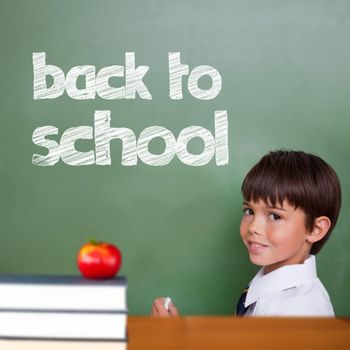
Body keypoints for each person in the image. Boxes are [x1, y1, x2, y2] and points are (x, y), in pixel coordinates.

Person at [151, 150, 342, 317]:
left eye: (275, 216)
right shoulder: (270, 282)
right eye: (249, 211)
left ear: (315, 229)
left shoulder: (298, 312)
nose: (253, 227)